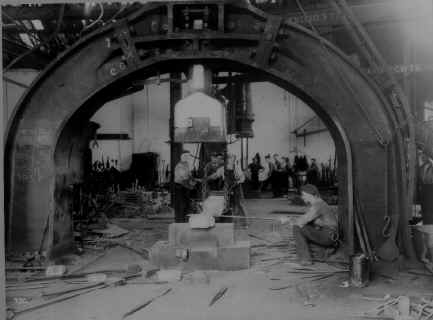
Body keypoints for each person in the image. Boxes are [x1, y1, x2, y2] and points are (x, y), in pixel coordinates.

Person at [292, 184, 338, 265]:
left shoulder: (318, 205)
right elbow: (308, 219)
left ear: (310, 194)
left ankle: (305, 259)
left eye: (304, 195)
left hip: (328, 236)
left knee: (297, 228)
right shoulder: (320, 203)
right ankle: (320, 253)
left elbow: (301, 222)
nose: (302, 197)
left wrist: (289, 220)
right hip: (330, 236)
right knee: (307, 226)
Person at [174, 150, 198, 222]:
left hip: (185, 186)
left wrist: (194, 179)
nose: (187, 157)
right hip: (180, 187)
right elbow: (184, 177)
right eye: (186, 156)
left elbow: (189, 175)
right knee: (182, 204)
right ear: (182, 157)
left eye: (188, 156)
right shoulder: (180, 166)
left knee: (187, 204)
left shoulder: (187, 164)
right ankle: (180, 220)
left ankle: (185, 220)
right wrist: (191, 183)